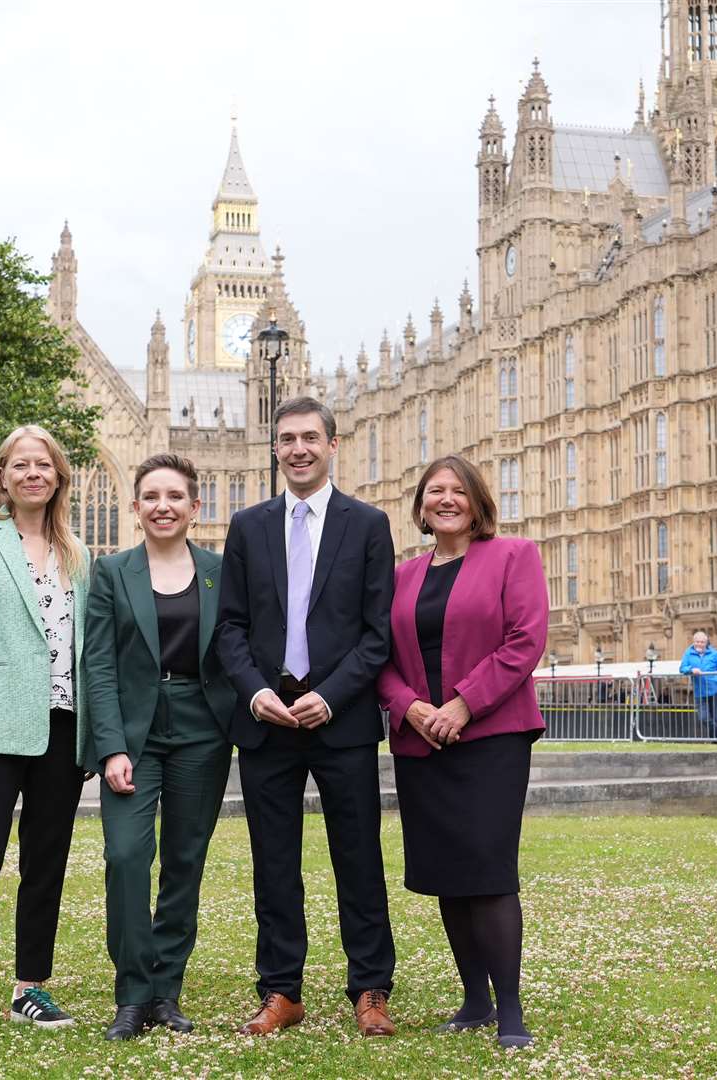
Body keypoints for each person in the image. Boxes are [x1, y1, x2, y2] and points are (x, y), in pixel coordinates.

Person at [215, 396, 398, 1038]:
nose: (298, 448)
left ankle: (371, 989)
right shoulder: (248, 525)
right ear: (275, 449)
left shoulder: (368, 524)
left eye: (310, 438)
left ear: (332, 445)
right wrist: (253, 691)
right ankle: (281, 991)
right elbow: (231, 627)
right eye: (287, 439)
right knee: (274, 861)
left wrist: (335, 694)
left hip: (339, 719)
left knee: (358, 857)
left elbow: (378, 635)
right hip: (267, 720)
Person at [377, 454, 546, 1049]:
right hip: (422, 741)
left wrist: (463, 704)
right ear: (421, 506)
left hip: (491, 737)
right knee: (448, 871)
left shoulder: (513, 556)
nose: (445, 500)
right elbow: (382, 658)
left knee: (489, 868)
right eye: (433, 492)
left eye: (457, 491)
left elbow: (525, 640)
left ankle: (510, 1011)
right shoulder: (402, 577)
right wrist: (411, 708)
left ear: (477, 503)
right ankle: (474, 998)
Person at [0, 424, 92, 1044]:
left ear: (58, 476)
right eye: (20, 464)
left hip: (62, 726)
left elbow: (86, 648)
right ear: (2, 477)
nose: (33, 474)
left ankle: (30, 987)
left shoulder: (77, 553)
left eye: (44, 465)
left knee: (46, 864)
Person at [82, 454, 236, 1041]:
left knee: (183, 863)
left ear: (195, 508)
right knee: (125, 857)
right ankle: (132, 993)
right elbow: (97, 663)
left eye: (175, 496)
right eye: (151, 497)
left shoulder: (221, 572)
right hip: (133, 736)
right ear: (136, 506)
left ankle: (166, 992)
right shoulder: (112, 573)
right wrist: (110, 746)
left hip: (203, 729)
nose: (162, 506)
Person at [678, 631, 717, 741]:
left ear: (706, 642)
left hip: (715, 690)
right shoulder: (688, 653)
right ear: (693, 642)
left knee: (716, 719)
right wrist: (691, 670)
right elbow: (682, 668)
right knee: (703, 718)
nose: (699, 644)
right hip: (699, 692)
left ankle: (716, 742)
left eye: (702, 642)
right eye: (697, 642)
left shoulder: (714, 654)